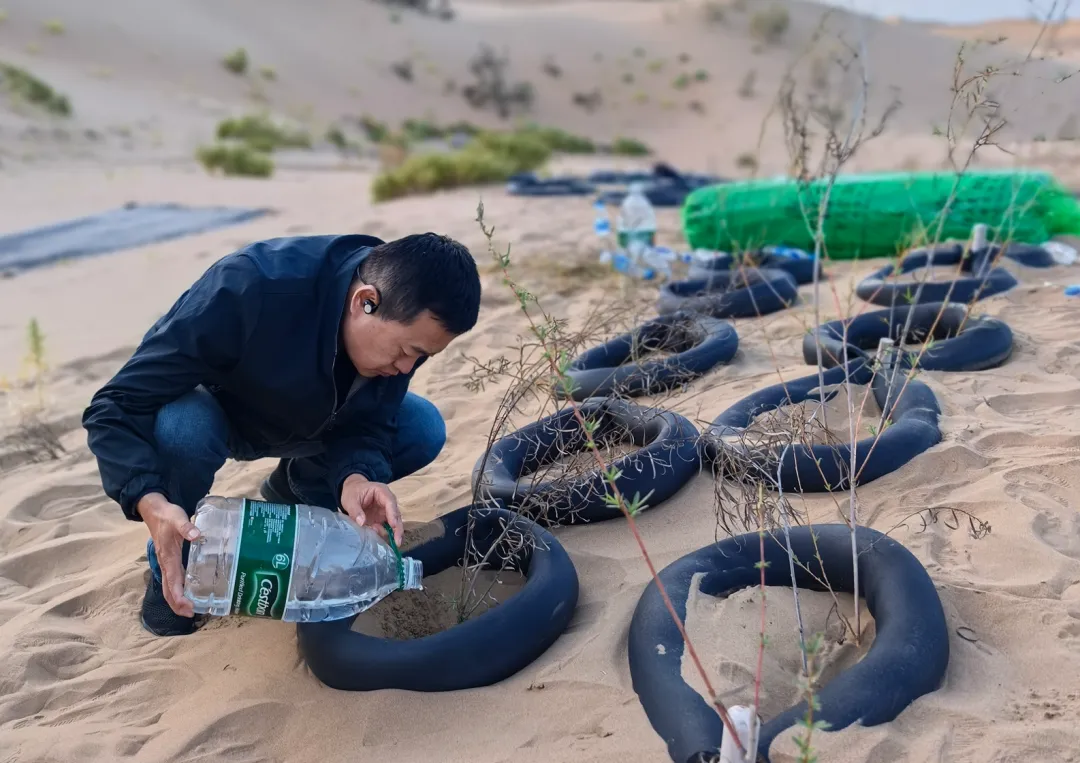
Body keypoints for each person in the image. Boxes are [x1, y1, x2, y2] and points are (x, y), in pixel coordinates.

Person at [82, 232, 482, 637]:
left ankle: (294, 495)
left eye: (421, 357)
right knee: (183, 426)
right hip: (218, 413)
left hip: (311, 419)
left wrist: (356, 477)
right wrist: (149, 502)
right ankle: (171, 564)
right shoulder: (249, 286)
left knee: (422, 427)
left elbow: (370, 422)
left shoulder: (401, 312)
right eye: (405, 350)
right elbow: (115, 404)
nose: (405, 367)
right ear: (365, 301)